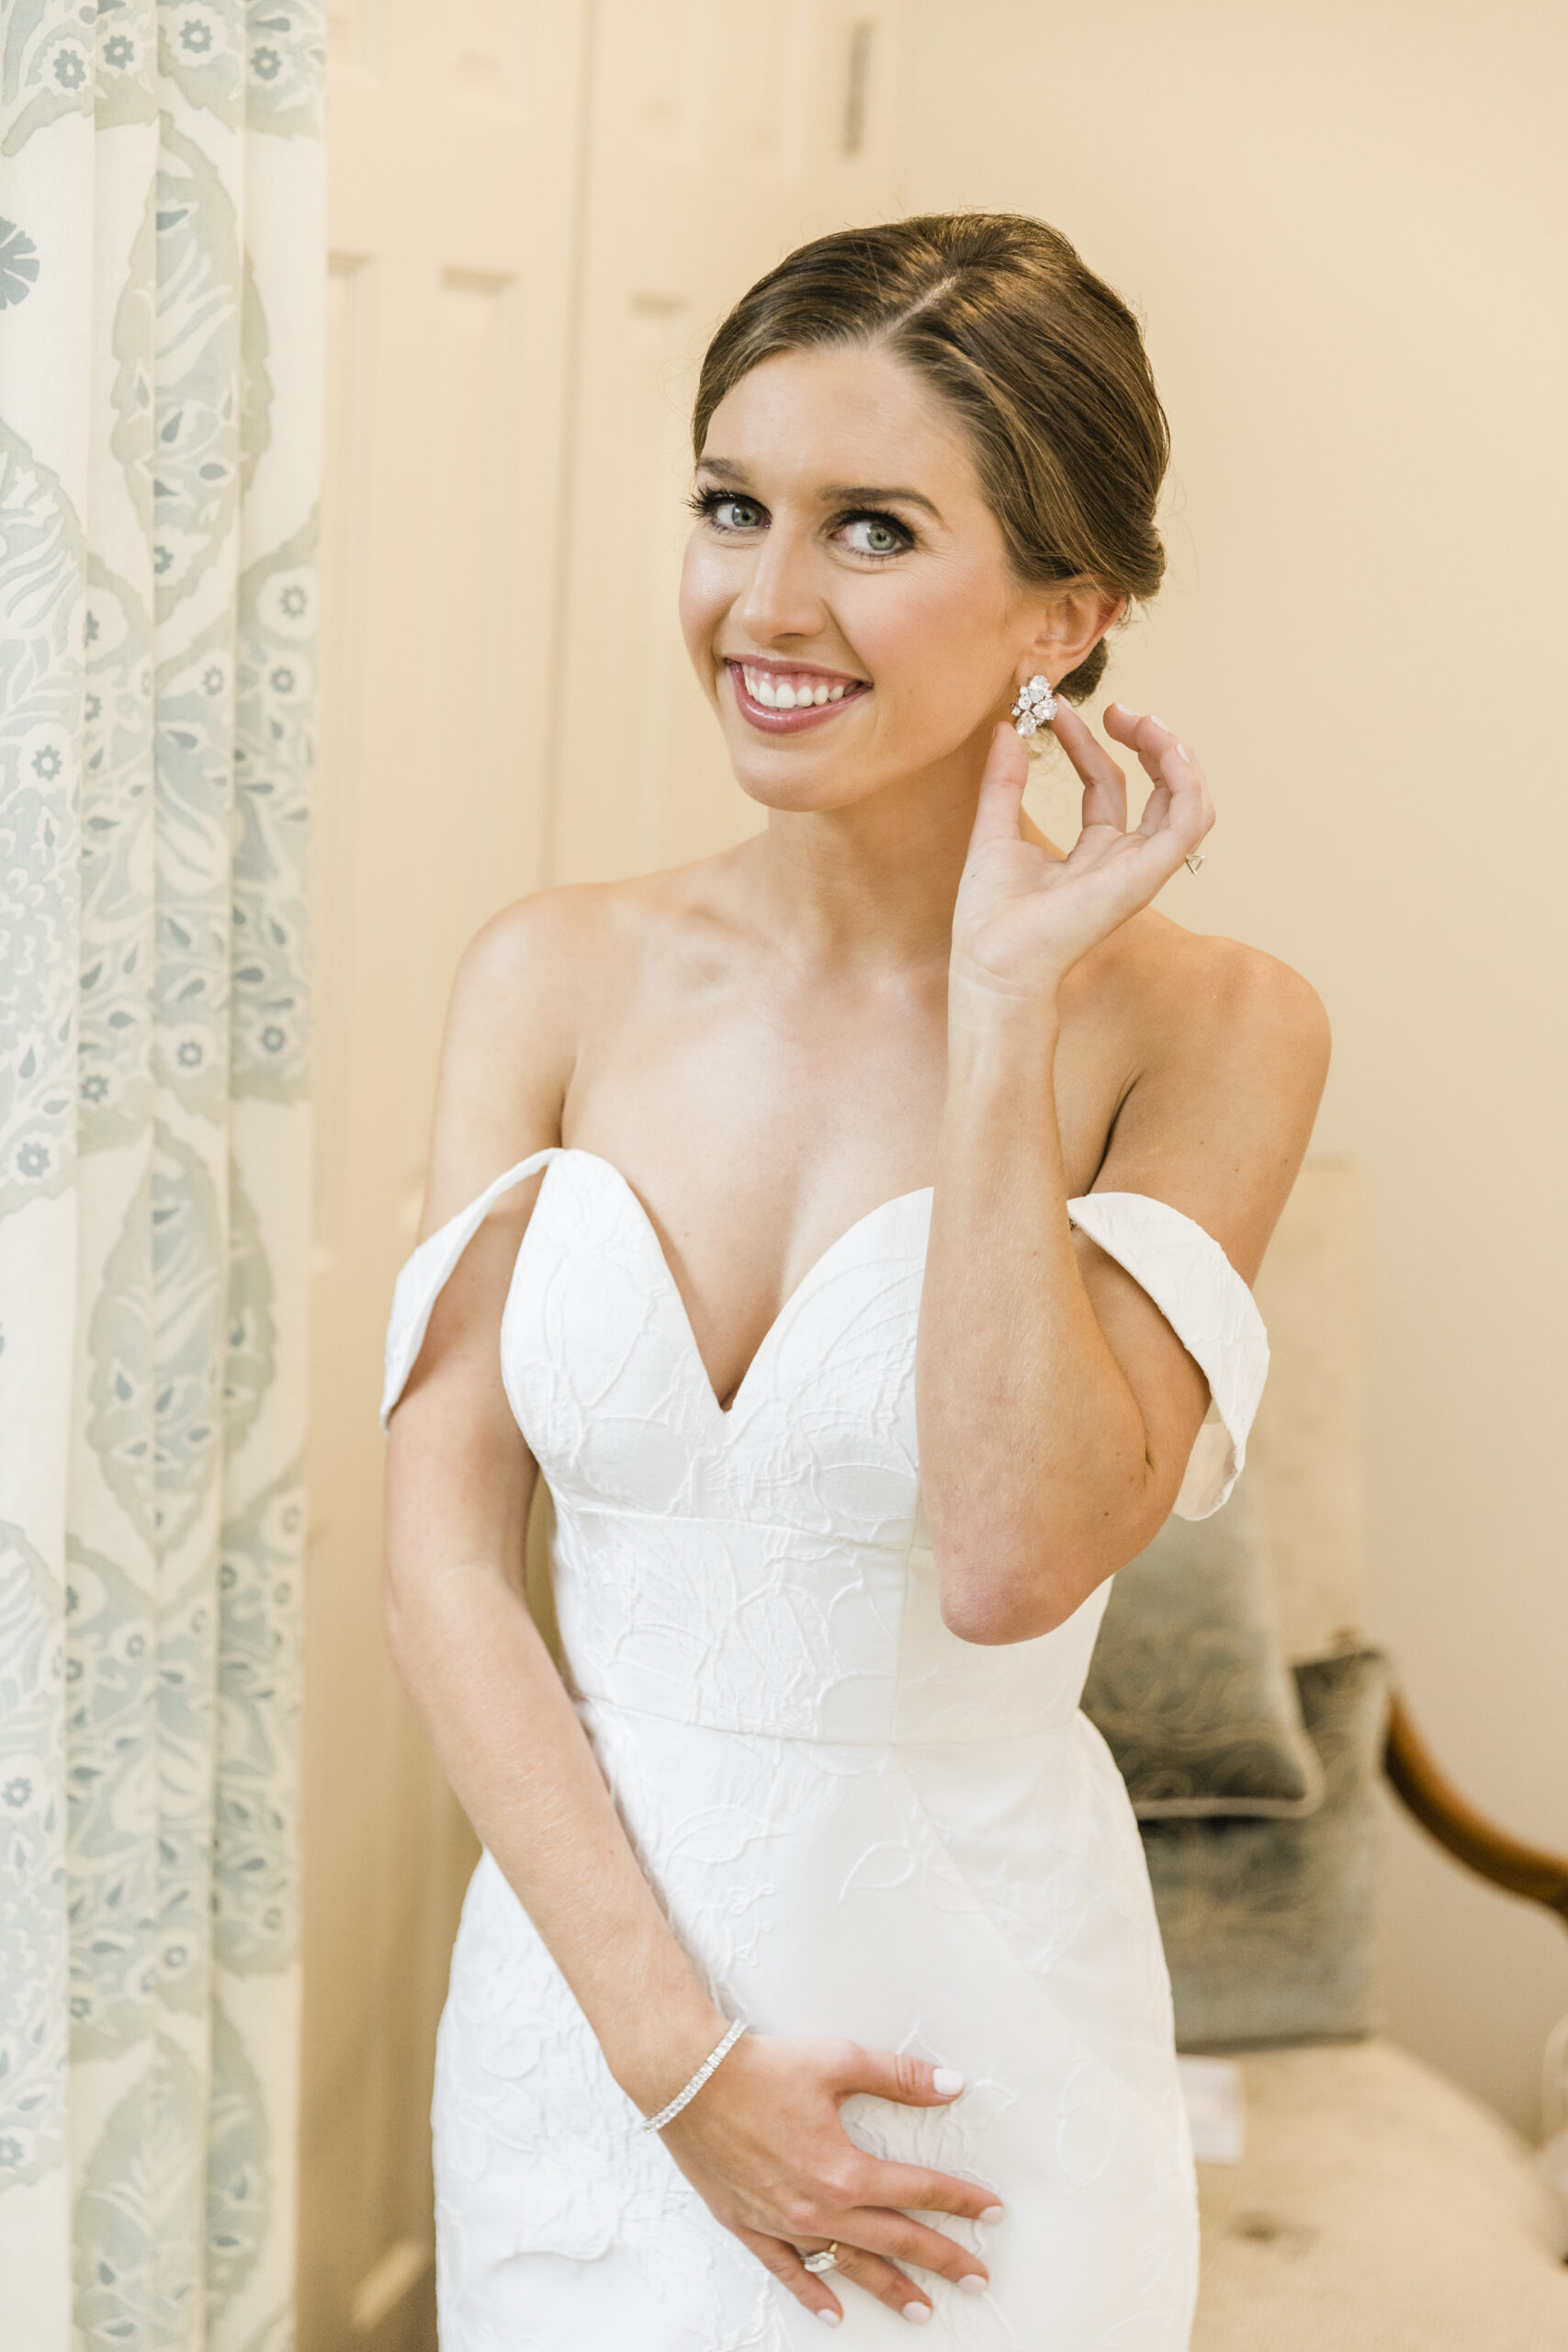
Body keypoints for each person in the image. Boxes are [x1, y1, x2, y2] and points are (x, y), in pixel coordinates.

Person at [381, 212, 1327, 2347]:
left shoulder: (1211, 1031)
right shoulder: (549, 973)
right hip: (588, 2051)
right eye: (731, 505)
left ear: (1062, 615)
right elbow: (438, 1563)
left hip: (964, 2072)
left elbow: (1007, 1556)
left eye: (871, 528)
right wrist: (676, 2066)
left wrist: (1002, 1009)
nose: (763, 603)